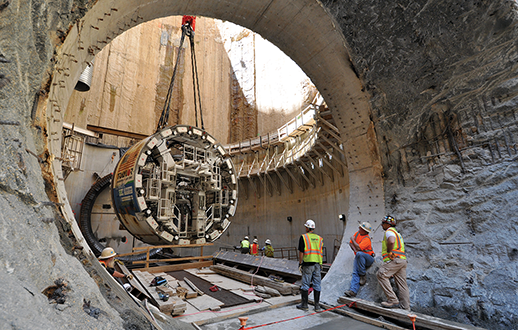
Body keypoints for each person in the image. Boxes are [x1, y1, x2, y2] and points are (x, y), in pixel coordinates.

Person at [376, 215, 410, 310]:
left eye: (383, 223)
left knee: (381, 274)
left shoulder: (389, 232)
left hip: (394, 259)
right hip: (402, 260)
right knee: (402, 284)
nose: (382, 225)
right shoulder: (398, 234)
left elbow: (391, 241)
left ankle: (393, 300)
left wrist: (390, 251)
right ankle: (405, 307)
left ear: (388, 224)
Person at [297, 219, 324, 312]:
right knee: (317, 284)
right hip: (317, 264)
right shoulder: (319, 238)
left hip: (308, 264)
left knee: (305, 284)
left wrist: (300, 263)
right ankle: (317, 306)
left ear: (307, 227)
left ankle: (304, 304)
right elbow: (320, 252)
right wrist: (320, 264)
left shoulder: (304, 237)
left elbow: (301, 252)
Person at [344, 222, 375, 297]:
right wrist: (356, 251)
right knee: (355, 272)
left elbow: (358, 247)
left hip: (369, 258)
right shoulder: (357, 234)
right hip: (359, 257)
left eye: (361, 228)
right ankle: (353, 291)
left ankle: (362, 274)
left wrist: (353, 241)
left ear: (364, 230)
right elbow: (351, 243)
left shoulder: (367, 239)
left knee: (359, 254)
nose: (359, 228)